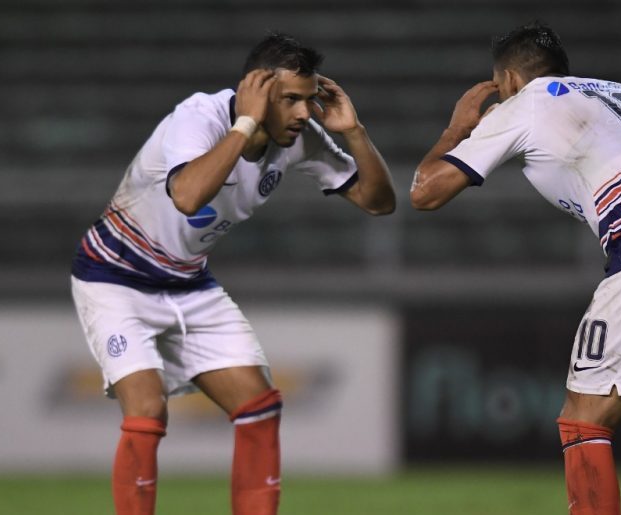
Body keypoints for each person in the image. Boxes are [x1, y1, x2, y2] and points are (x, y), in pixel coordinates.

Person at [410, 21, 621, 515]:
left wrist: (458, 130)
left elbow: (425, 192)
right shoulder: (618, 90)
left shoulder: (525, 101)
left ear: (507, 81)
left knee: (583, 420)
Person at [70, 32, 395, 515]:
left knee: (260, 405)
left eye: (308, 100)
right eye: (290, 100)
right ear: (255, 91)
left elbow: (378, 202)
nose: (304, 113)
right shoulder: (197, 117)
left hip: (187, 281)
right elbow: (187, 196)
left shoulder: (300, 139)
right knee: (147, 410)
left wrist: (355, 132)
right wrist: (243, 124)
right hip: (115, 276)